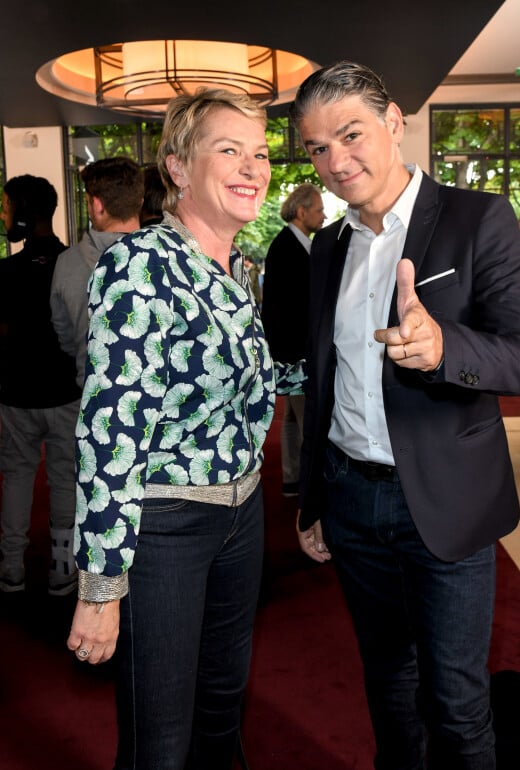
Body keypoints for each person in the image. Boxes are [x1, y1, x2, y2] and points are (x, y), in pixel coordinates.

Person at [289, 61, 520, 770]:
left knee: (457, 704)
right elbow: (326, 381)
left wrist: (443, 348)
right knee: (388, 683)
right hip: (350, 499)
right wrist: (314, 498)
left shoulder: (477, 218)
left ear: (394, 122)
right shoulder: (332, 247)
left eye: (350, 134)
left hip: (444, 499)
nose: (336, 161)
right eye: (317, 148)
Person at [66, 88, 304, 770]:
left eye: (258, 153)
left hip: (240, 516)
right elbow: (111, 432)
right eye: (228, 150)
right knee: (159, 740)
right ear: (176, 168)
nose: (252, 167)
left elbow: (250, 385)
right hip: (166, 525)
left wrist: (352, 352)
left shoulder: (236, 267)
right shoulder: (139, 265)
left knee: (222, 708)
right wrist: (101, 585)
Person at [0, 174, 81, 595]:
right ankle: (61, 566)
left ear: (25, 213)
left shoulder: (6, 271)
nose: (3, 213)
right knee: (64, 477)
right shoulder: (73, 264)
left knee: (15, 476)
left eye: (7, 205)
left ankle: (11, 566)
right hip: (66, 393)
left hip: (16, 395)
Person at [50, 156, 144, 388]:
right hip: (155, 400)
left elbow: (65, 337)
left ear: (97, 205)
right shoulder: (168, 257)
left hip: (93, 395)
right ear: (140, 202)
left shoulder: (66, 263)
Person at [261, 182, 325, 496]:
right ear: (302, 212)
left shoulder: (292, 243)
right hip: (297, 351)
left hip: (291, 348)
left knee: (291, 418)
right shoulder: (288, 247)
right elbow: (290, 307)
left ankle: (292, 477)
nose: (324, 215)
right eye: (319, 209)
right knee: (306, 420)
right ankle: (305, 484)